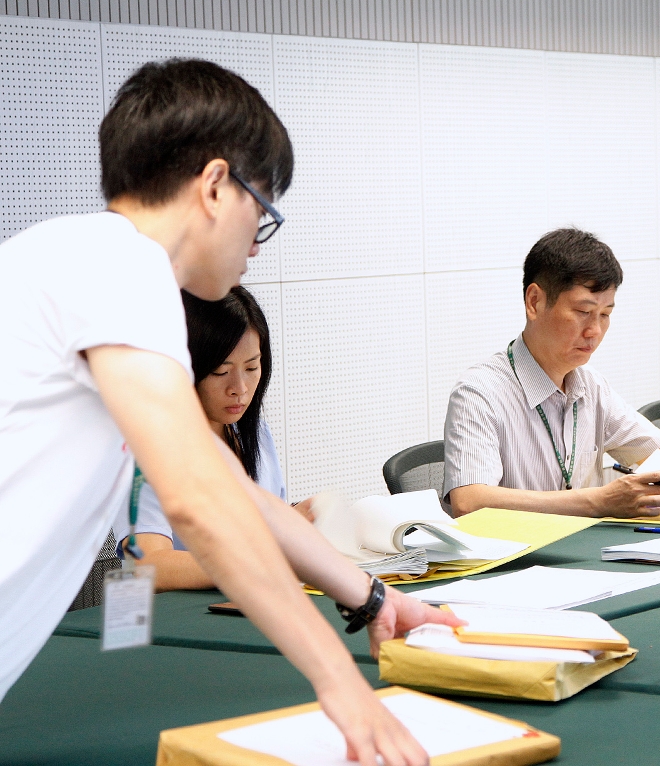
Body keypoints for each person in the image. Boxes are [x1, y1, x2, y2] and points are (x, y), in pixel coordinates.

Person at [0, 59, 458, 765]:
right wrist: (338, 683)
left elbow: (233, 490)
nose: (255, 244)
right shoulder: (117, 266)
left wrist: (371, 598)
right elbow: (196, 505)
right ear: (215, 185)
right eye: (263, 212)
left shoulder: (87, 268)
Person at [444, 228, 660, 517]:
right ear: (534, 302)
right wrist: (596, 502)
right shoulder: (480, 392)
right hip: (512, 558)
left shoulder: (589, 385)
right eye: (583, 312)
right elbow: (470, 501)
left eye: (605, 314)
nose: (594, 331)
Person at [114, 287, 313, 591]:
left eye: (252, 367)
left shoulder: (254, 433)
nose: (240, 388)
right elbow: (146, 565)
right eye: (221, 372)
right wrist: (260, 556)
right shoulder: (146, 448)